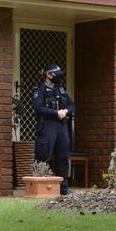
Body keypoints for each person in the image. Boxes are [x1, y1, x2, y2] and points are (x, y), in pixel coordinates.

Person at [31, 64, 74, 195]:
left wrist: (66, 110)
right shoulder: (40, 90)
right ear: (49, 75)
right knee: (44, 155)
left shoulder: (60, 90)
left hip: (62, 126)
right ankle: (42, 188)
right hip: (48, 126)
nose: (59, 77)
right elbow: (38, 108)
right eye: (57, 74)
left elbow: (72, 105)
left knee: (63, 156)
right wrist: (56, 113)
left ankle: (64, 188)